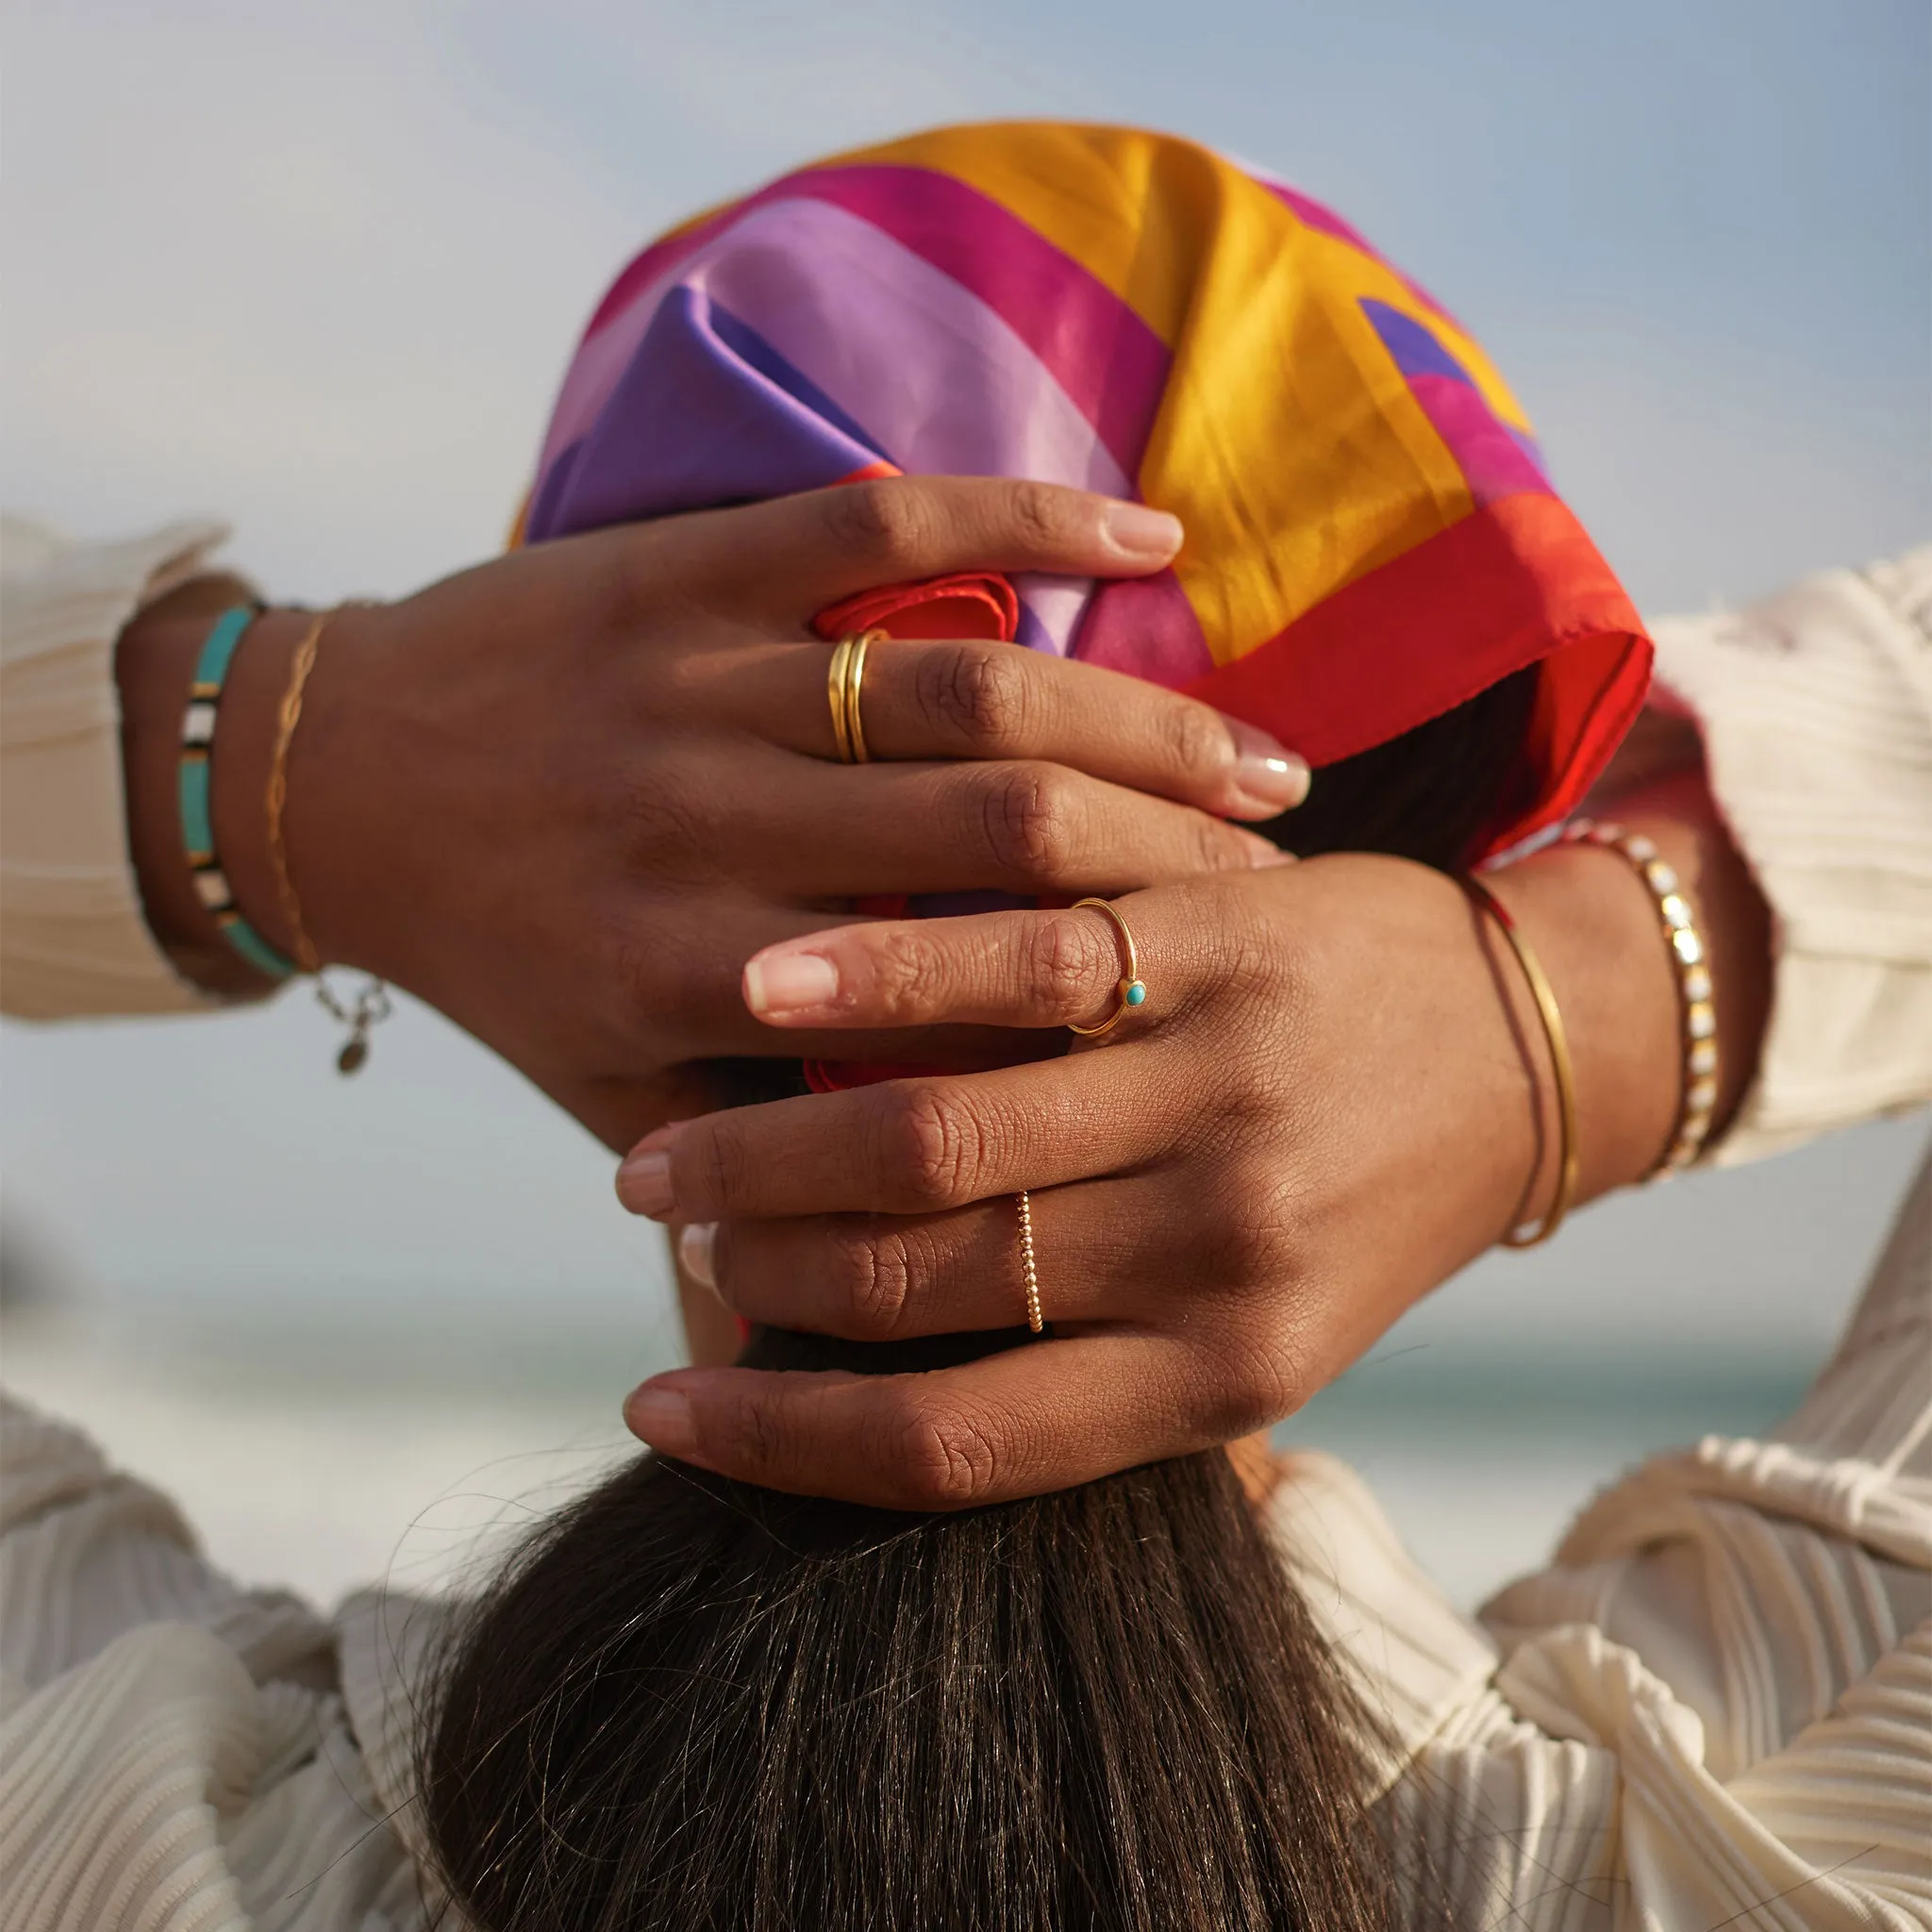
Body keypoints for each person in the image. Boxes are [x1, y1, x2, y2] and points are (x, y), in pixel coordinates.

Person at [3, 121, 1928, 1927]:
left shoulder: (95, 1790)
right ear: (1422, 841)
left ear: (561, 919)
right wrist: (1554, 1013)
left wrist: (278, 758)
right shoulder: (1769, 1817)